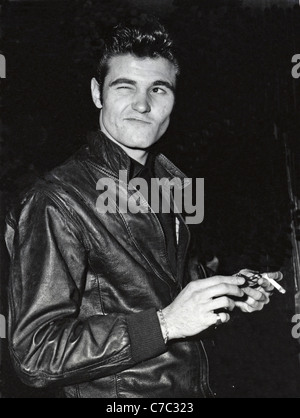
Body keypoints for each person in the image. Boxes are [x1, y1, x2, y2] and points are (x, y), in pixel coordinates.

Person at [5, 19, 280, 398]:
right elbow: (35, 354)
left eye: (158, 89)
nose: (142, 104)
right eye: (125, 87)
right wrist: (165, 324)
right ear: (97, 94)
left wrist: (228, 293)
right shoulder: (56, 199)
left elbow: (168, 291)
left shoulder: (175, 181)